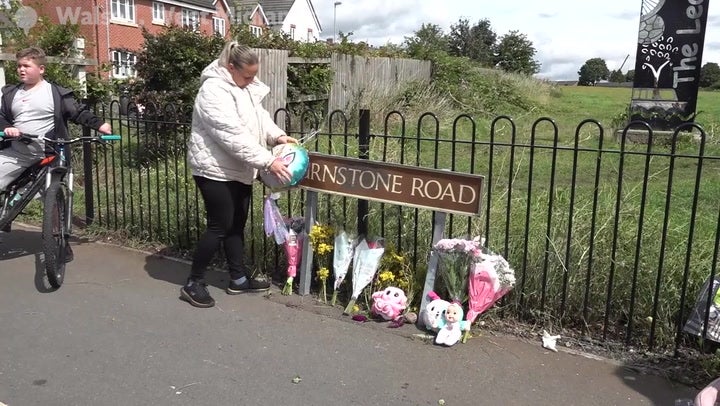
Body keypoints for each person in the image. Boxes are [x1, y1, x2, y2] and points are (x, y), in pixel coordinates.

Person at [182, 41, 298, 308]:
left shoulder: (242, 88)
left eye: (254, 75)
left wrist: (277, 136)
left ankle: (239, 279)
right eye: (248, 75)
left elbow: (260, 119)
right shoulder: (212, 90)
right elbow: (231, 135)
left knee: (236, 225)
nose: (252, 80)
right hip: (214, 170)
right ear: (231, 67)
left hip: (239, 168)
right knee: (219, 226)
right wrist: (268, 161)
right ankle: (194, 282)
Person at [0, 47, 112, 246]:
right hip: (18, 152)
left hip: (49, 153)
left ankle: (59, 245)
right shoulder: (11, 94)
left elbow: (77, 112)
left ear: (41, 68)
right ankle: (5, 213)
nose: (21, 70)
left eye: (26, 66)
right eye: (19, 66)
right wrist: (8, 127)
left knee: (52, 200)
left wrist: (101, 125)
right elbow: (1, 117)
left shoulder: (55, 93)